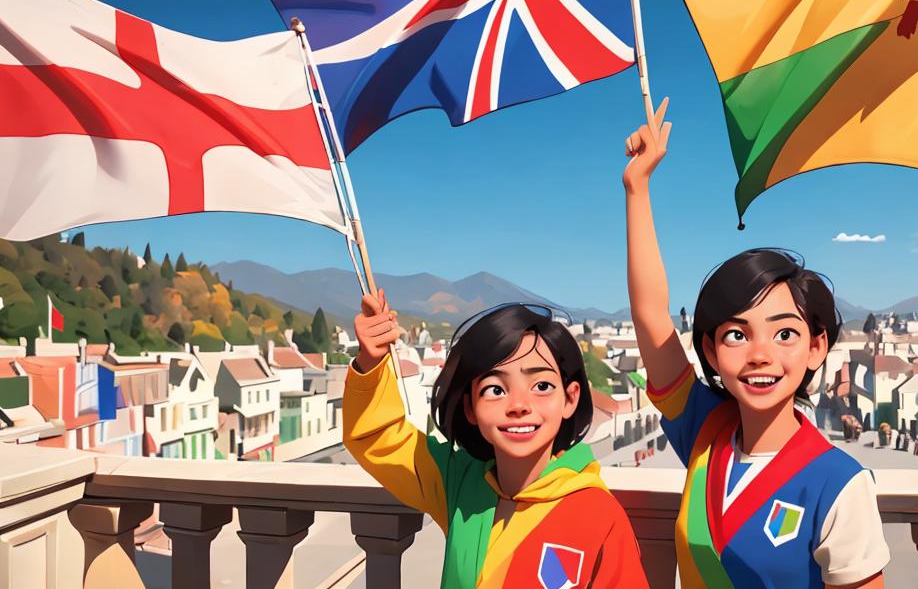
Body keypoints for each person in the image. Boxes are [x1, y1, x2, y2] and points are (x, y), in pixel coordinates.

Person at [623, 99, 889, 589]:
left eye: (784, 333)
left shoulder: (837, 482)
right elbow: (650, 315)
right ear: (710, 350)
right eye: (736, 334)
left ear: (816, 347)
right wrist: (637, 188)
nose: (760, 354)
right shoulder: (705, 433)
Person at [344, 291, 649, 588]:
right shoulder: (458, 483)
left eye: (541, 385)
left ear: (570, 399)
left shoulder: (599, 515)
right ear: (470, 407)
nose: (519, 405)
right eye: (495, 390)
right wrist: (371, 361)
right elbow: (378, 436)